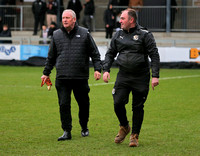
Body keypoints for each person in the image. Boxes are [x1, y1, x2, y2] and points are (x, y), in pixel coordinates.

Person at [41, 9, 102, 141]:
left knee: (83, 104)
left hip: (80, 77)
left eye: (68, 17)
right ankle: (66, 131)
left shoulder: (85, 33)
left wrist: (98, 69)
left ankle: (84, 127)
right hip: (62, 77)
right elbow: (51, 57)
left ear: (74, 19)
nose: (65, 20)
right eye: (63, 18)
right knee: (63, 104)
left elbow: (95, 54)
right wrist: (46, 73)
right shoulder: (56, 35)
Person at [102, 8, 160, 147]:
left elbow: (154, 55)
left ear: (131, 20)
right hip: (123, 75)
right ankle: (124, 126)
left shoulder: (145, 35)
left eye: (122, 18)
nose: (120, 21)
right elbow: (110, 53)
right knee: (117, 103)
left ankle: (134, 135)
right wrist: (106, 69)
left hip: (141, 76)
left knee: (138, 106)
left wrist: (155, 76)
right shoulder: (118, 35)